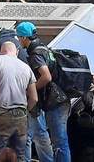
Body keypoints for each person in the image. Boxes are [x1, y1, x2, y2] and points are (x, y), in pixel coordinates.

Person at [17, 22, 71, 162]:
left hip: (55, 101)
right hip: (60, 98)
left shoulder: (35, 53)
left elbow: (46, 76)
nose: (18, 40)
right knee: (59, 140)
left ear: (24, 38)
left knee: (59, 141)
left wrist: (31, 89)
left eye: (18, 37)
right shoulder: (43, 47)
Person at [0, 41, 39, 162]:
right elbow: (34, 98)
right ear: (17, 52)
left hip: (2, 114)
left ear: (0, 52)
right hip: (21, 116)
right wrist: (24, 111)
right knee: (19, 156)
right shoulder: (26, 67)